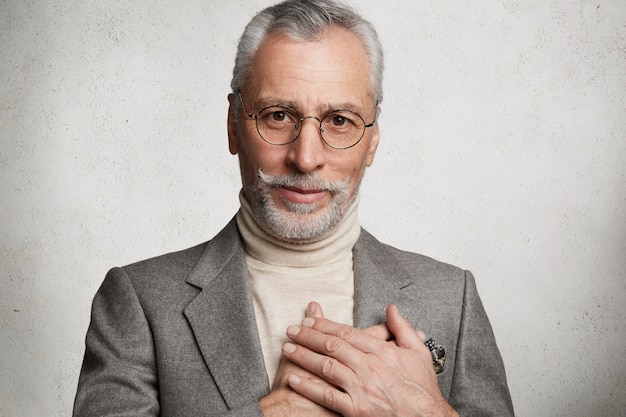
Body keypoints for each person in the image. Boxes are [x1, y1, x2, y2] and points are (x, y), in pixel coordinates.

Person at [73, 0, 514, 416]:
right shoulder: (138, 301)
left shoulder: (452, 298)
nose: (305, 158)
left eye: (339, 120)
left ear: (374, 138)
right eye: (278, 115)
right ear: (233, 125)